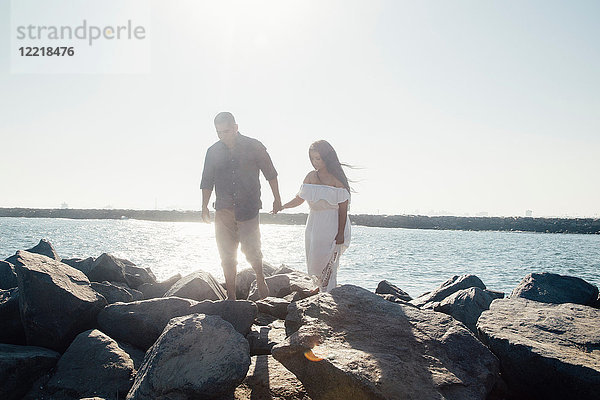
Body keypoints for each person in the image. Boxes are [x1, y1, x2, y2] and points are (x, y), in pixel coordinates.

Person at [200, 112, 282, 300]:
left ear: (236, 127)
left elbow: (271, 174)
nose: (222, 136)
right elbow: (206, 181)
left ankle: (261, 280)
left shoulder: (254, 146)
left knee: (252, 249)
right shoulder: (213, 151)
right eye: (218, 132)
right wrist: (204, 206)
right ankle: (231, 295)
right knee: (226, 252)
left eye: (226, 131)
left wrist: (277, 199)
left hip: (249, 207)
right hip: (223, 208)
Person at [281, 140, 351, 292]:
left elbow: (343, 208)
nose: (315, 162)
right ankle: (319, 287)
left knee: (329, 259)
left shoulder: (336, 179)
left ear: (327, 158)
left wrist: (340, 233)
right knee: (314, 258)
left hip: (332, 223)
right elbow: (300, 198)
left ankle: (328, 290)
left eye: (318, 158)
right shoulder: (311, 177)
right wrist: (283, 206)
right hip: (314, 224)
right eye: (312, 159)